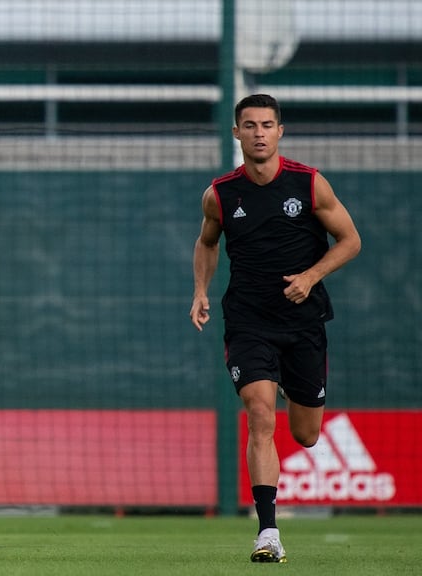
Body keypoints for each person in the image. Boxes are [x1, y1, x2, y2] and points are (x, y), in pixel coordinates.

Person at [190, 94, 360, 563]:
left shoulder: (309, 184)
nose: (259, 133)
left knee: (306, 435)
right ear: (236, 133)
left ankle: (287, 380)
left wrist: (311, 276)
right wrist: (200, 291)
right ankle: (268, 532)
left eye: (267, 125)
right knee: (260, 415)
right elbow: (207, 243)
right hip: (248, 321)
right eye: (250, 125)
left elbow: (350, 240)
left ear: (280, 131)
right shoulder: (220, 194)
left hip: (303, 324)